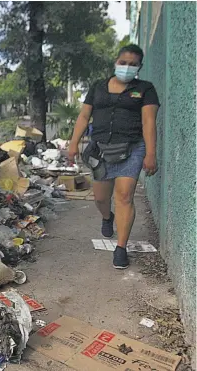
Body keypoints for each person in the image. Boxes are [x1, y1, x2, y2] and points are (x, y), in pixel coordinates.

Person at [68, 44, 160, 269]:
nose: (127, 67)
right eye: (123, 62)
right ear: (115, 62)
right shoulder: (98, 87)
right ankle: (107, 217)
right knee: (100, 198)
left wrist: (151, 153)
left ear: (139, 67)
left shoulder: (145, 89)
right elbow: (83, 116)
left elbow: (148, 122)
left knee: (124, 195)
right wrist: (73, 144)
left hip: (132, 148)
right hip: (100, 149)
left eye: (132, 64)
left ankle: (121, 248)